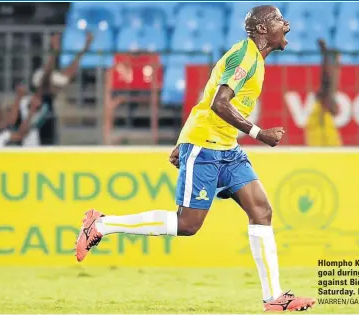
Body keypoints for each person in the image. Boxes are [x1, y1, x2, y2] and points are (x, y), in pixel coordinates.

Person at [74, 5, 315, 312]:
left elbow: (206, 98)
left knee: (261, 210)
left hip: (226, 148)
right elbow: (218, 103)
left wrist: (180, 141)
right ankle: (102, 225)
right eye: (280, 19)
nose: (288, 24)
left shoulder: (252, 57)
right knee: (187, 224)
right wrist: (259, 133)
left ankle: (275, 298)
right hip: (207, 145)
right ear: (264, 29)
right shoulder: (245, 57)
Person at [27, 31, 93, 145]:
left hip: (49, 127)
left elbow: (70, 71)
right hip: (34, 132)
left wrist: (85, 47)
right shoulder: (39, 88)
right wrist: (55, 51)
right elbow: (46, 79)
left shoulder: (51, 90)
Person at [304, 39, 342, 147]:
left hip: (322, 116)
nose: (340, 62)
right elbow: (326, 77)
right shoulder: (332, 74)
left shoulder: (333, 75)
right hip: (322, 118)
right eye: (338, 59)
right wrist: (325, 53)